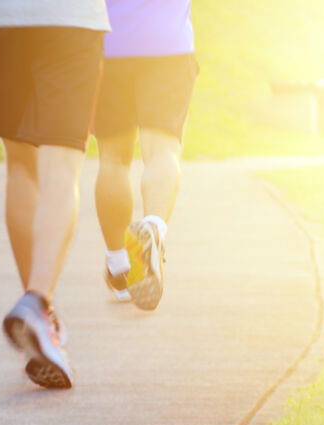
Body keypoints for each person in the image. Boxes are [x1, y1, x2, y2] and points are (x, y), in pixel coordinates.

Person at [0, 0, 110, 390]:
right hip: (68, 19)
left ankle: (38, 314)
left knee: (20, 164)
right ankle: (37, 301)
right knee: (62, 166)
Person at [92, 0, 197, 312]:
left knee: (112, 160)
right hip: (169, 43)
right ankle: (153, 226)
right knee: (162, 151)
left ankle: (120, 265)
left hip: (107, 43)